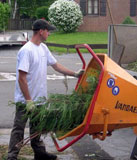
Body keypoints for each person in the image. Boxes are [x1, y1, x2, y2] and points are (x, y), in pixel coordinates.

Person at [7, 19, 84, 160]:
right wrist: (29, 101)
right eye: (48, 30)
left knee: (37, 129)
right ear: (41, 31)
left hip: (39, 100)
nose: (49, 33)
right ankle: (12, 156)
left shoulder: (43, 48)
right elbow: (21, 78)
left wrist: (75, 74)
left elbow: (56, 66)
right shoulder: (26, 51)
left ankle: (40, 154)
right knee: (18, 130)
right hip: (25, 101)